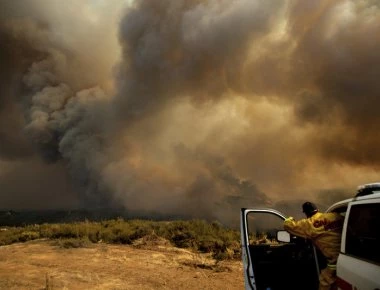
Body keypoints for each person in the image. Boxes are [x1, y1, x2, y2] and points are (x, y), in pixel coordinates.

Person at [284, 202, 343, 290]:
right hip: (349, 254)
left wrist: (289, 218)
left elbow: (287, 226)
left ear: (306, 213)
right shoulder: (334, 216)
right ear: (317, 209)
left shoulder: (309, 224)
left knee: (325, 281)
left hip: (335, 261)